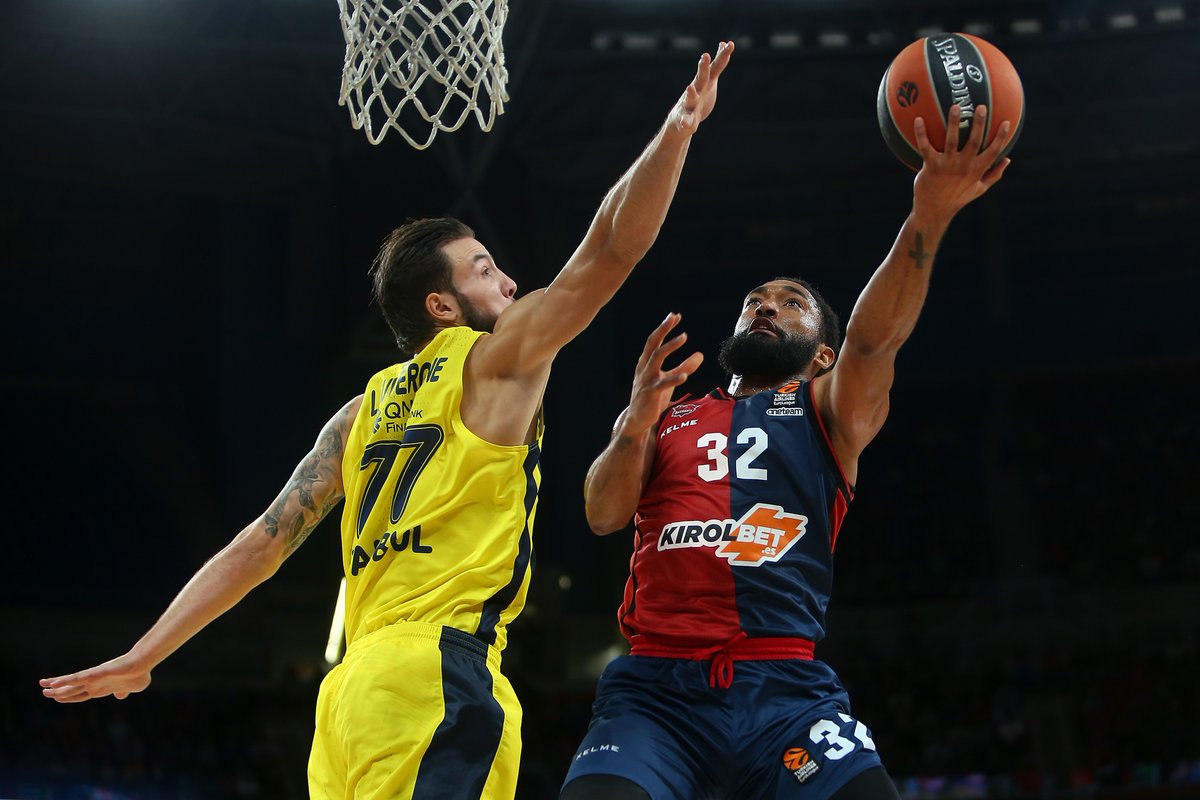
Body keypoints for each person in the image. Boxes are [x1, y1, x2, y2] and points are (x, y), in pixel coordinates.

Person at [39, 41, 735, 800]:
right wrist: (676, 131)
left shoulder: (356, 413)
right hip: (437, 675)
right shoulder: (495, 361)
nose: (506, 278)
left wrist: (148, 653)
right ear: (442, 307)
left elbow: (260, 545)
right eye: (481, 269)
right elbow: (608, 250)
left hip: (348, 700)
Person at [560, 104, 1013, 800]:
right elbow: (601, 513)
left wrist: (928, 215)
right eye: (754, 301)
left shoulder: (828, 409)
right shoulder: (670, 414)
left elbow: (875, 341)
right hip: (656, 693)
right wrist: (633, 422)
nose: (766, 307)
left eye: (790, 302)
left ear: (822, 353)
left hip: (785, 694)